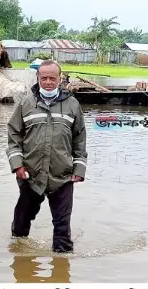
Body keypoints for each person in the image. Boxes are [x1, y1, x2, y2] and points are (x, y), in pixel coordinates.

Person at [6, 59, 87, 253]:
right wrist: (18, 165)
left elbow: (80, 138)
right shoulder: (26, 104)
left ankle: (61, 266)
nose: (48, 82)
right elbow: (13, 135)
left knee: (62, 228)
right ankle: (19, 260)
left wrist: (79, 168)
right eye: (44, 78)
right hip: (31, 175)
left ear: (60, 79)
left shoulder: (72, 105)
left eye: (52, 78)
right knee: (21, 223)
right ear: (38, 78)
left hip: (63, 176)